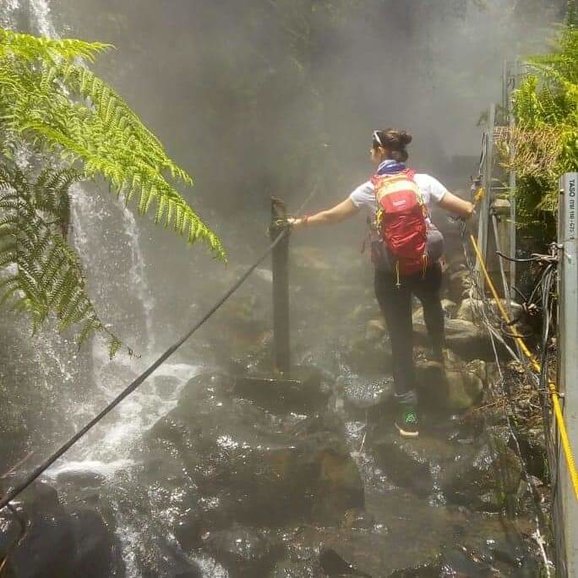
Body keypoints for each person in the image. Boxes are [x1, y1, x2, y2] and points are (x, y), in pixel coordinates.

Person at [288, 128, 474, 438]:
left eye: (371, 150)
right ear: (402, 154)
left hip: (391, 274)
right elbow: (465, 209)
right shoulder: (424, 182)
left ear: (378, 153)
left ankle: (409, 415)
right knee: (431, 305)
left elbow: (333, 217)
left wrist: (298, 223)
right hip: (426, 266)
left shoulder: (368, 190)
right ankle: (439, 352)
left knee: (400, 338)